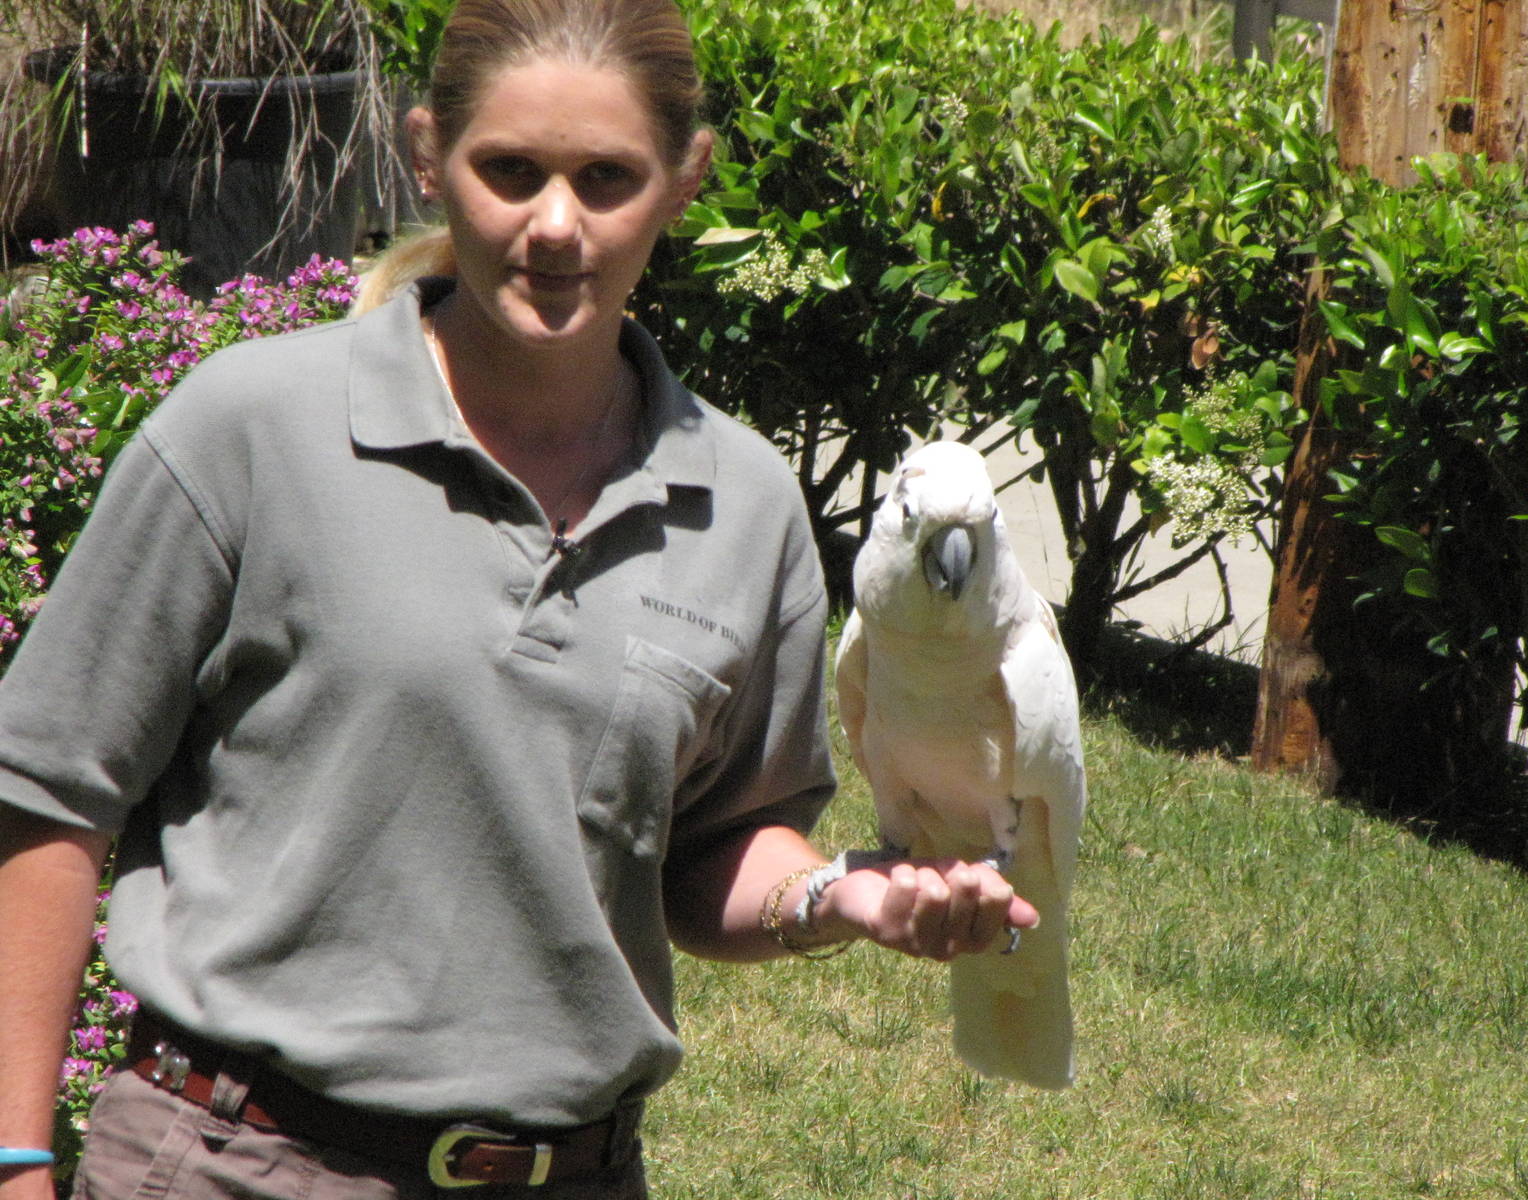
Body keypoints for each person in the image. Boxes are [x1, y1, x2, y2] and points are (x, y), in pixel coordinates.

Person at [0, 2, 1036, 1197]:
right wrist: (18, 1160)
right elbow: (45, 792)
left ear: (684, 181)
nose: (555, 225)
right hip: (235, 1159)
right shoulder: (249, 430)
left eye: (606, 179)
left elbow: (712, 851)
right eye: (509, 172)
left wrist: (838, 895)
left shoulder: (744, 505)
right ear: (427, 155)